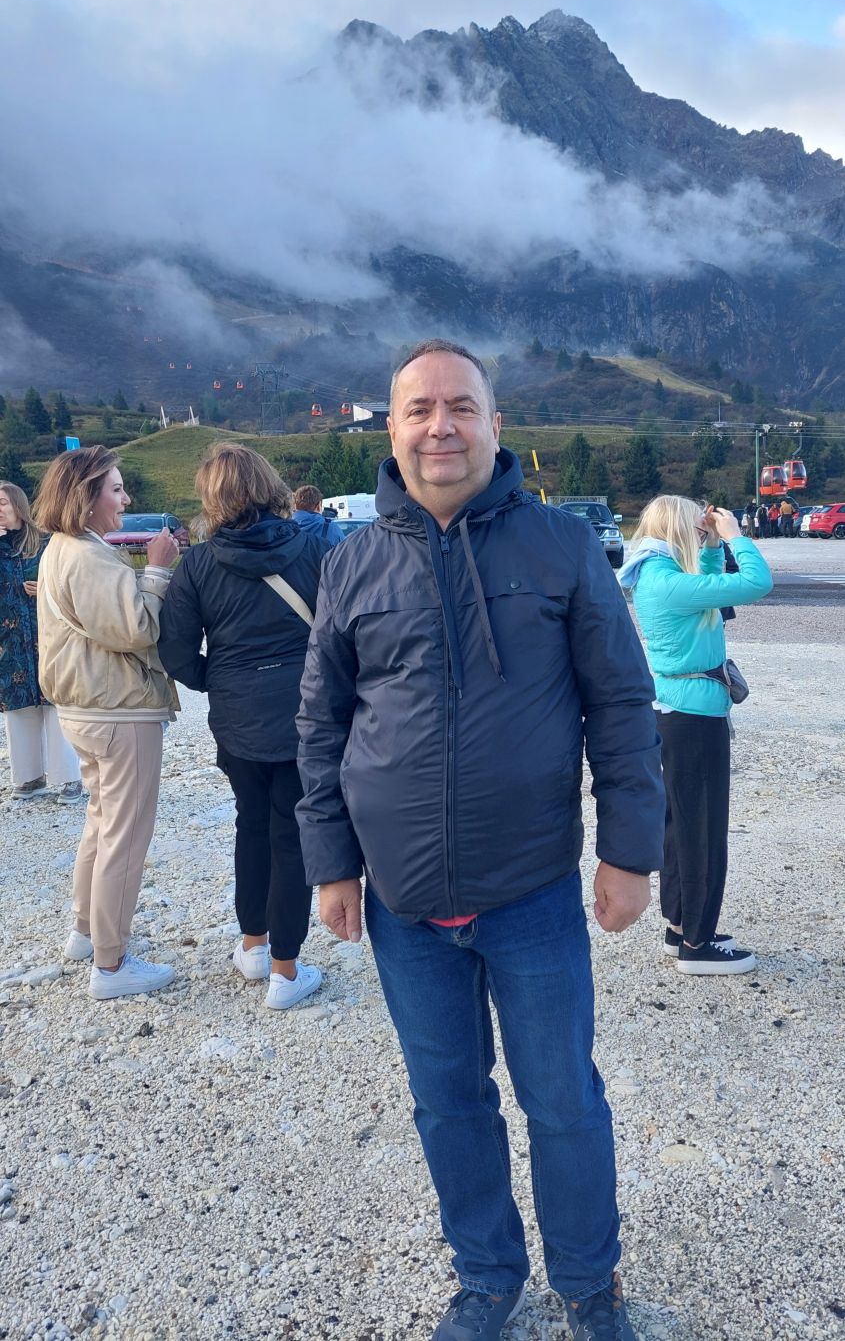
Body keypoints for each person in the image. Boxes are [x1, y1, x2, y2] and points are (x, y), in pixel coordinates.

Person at [296, 340, 665, 1341]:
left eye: (460, 406)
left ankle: (587, 1282)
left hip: (530, 892)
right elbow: (321, 725)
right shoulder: (351, 563)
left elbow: (620, 704)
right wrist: (331, 864)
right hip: (402, 902)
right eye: (418, 409)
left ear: (495, 426)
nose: (440, 427)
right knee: (448, 1104)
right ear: (391, 428)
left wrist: (628, 851)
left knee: (562, 1100)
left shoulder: (560, 546)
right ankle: (487, 1277)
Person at [158, 444, 330, 1010]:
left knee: (250, 825)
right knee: (292, 834)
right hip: (307, 710)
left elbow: (175, 651)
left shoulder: (199, 565)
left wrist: (219, 679)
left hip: (237, 717)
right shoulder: (316, 547)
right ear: (269, 484)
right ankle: (286, 970)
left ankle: (254, 943)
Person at [34, 446, 180, 1000]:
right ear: (86, 496)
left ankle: (85, 932)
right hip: (119, 710)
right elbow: (137, 629)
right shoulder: (87, 555)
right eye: (115, 489)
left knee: (101, 823)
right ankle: (112, 964)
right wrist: (158, 568)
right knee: (125, 835)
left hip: (87, 709)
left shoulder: (62, 547)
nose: (126, 498)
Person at [619, 496, 772, 976]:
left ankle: (681, 927)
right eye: (696, 528)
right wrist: (734, 537)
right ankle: (698, 946)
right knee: (702, 828)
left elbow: (708, 586)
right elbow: (757, 582)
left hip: (678, 712)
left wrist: (708, 548)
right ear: (679, 529)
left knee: (681, 825)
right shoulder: (668, 583)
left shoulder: (658, 573)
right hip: (693, 718)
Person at [0, 481, 82, 803]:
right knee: (18, 708)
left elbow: (70, 582)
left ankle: (69, 777)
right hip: (9, 642)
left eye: (2, 503)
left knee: (56, 704)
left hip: (48, 636)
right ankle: (29, 777)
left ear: (18, 506)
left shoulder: (46, 543)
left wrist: (46, 591)